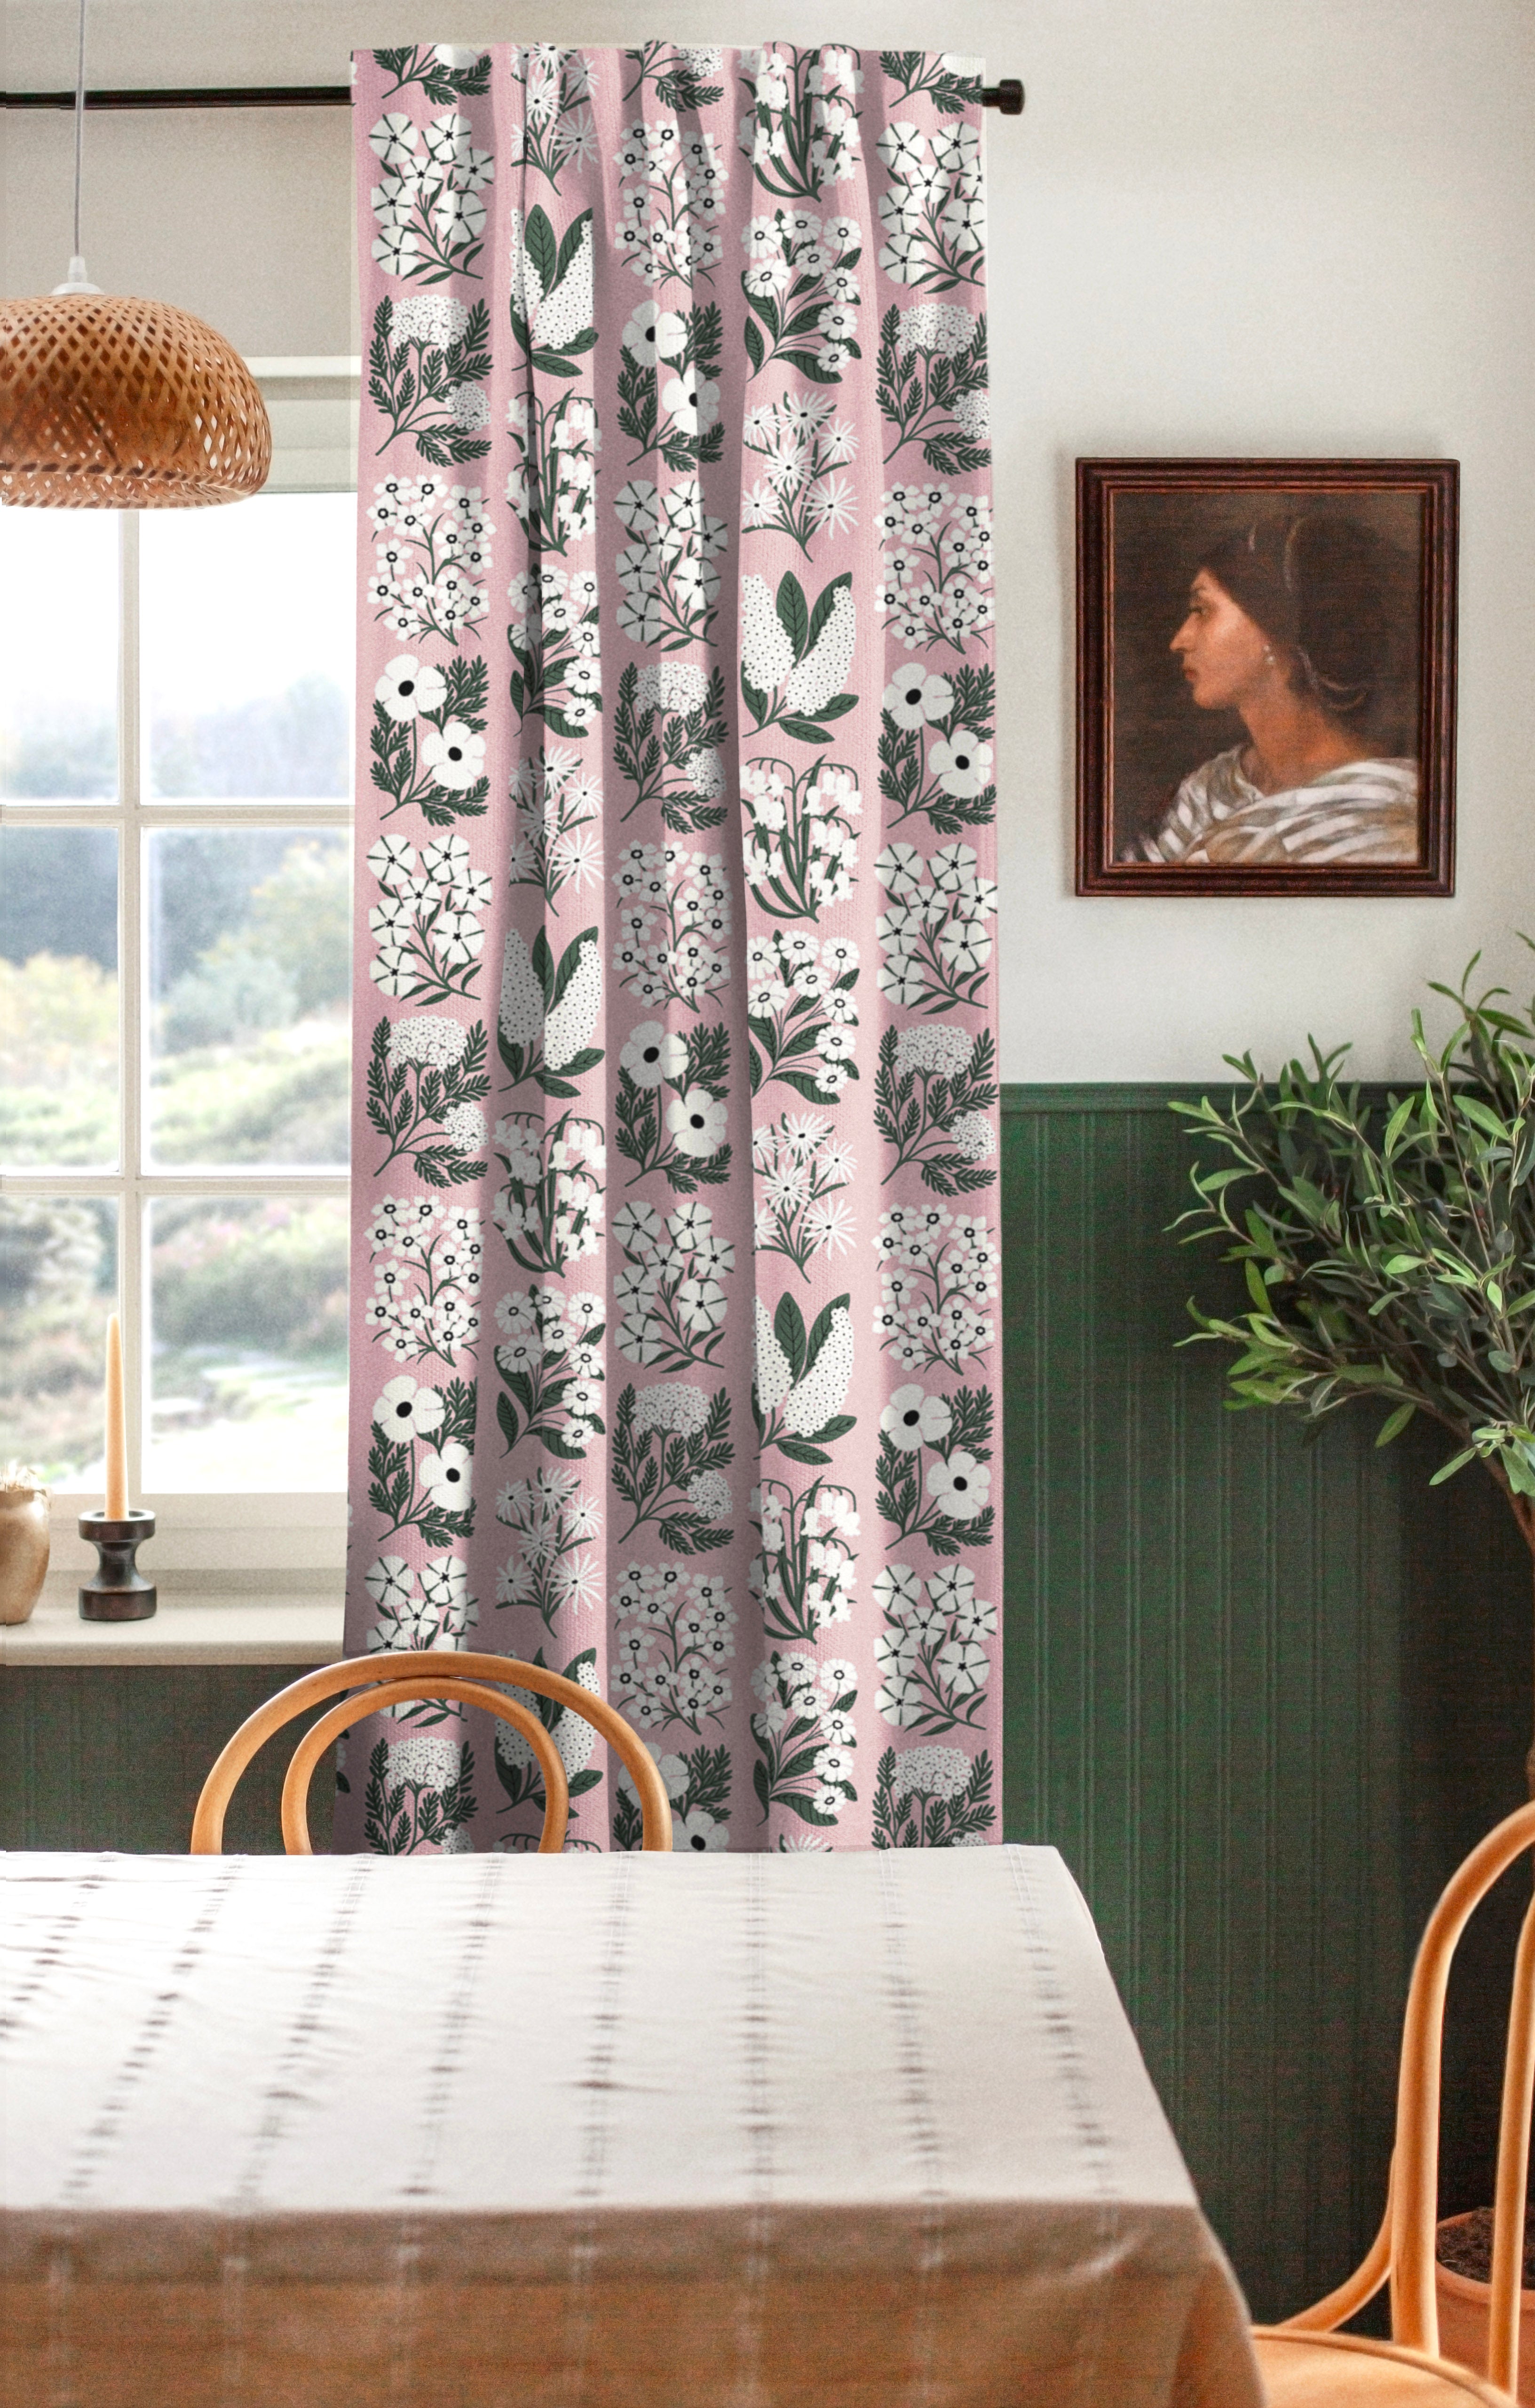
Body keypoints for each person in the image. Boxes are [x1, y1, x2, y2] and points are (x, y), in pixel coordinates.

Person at [1132, 513, 1419, 867]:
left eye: (1202, 610)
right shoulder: (1213, 788)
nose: (1179, 641)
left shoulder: (1388, 818)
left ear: (1274, 627)